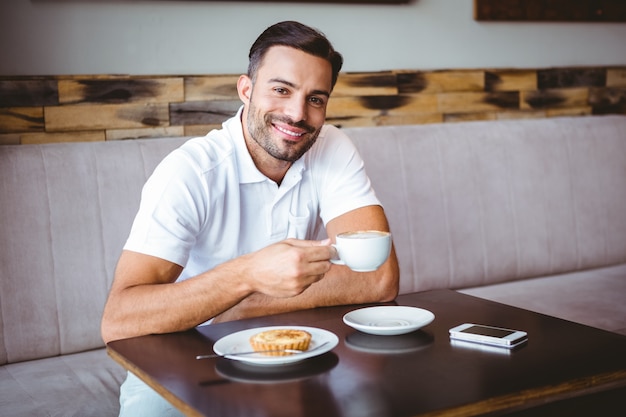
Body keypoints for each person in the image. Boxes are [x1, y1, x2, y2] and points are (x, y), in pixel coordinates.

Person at [101, 20, 399, 416]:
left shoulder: (332, 147)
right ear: (246, 90)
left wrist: (240, 306)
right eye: (281, 90)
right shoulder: (190, 172)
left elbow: (379, 277)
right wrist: (246, 275)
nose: (297, 114)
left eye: (316, 99)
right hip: (186, 357)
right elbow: (119, 321)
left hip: (293, 350)